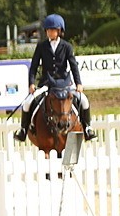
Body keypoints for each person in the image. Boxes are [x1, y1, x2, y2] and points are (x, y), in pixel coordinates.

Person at [14, 13, 95, 142]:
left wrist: (78, 83)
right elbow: (34, 66)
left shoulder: (67, 46)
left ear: (59, 31)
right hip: (47, 83)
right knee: (27, 103)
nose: (49, 32)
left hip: (64, 83)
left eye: (52, 30)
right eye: (47, 30)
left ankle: (88, 128)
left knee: (84, 100)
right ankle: (23, 130)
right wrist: (31, 83)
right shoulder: (41, 46)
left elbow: (73, 65)